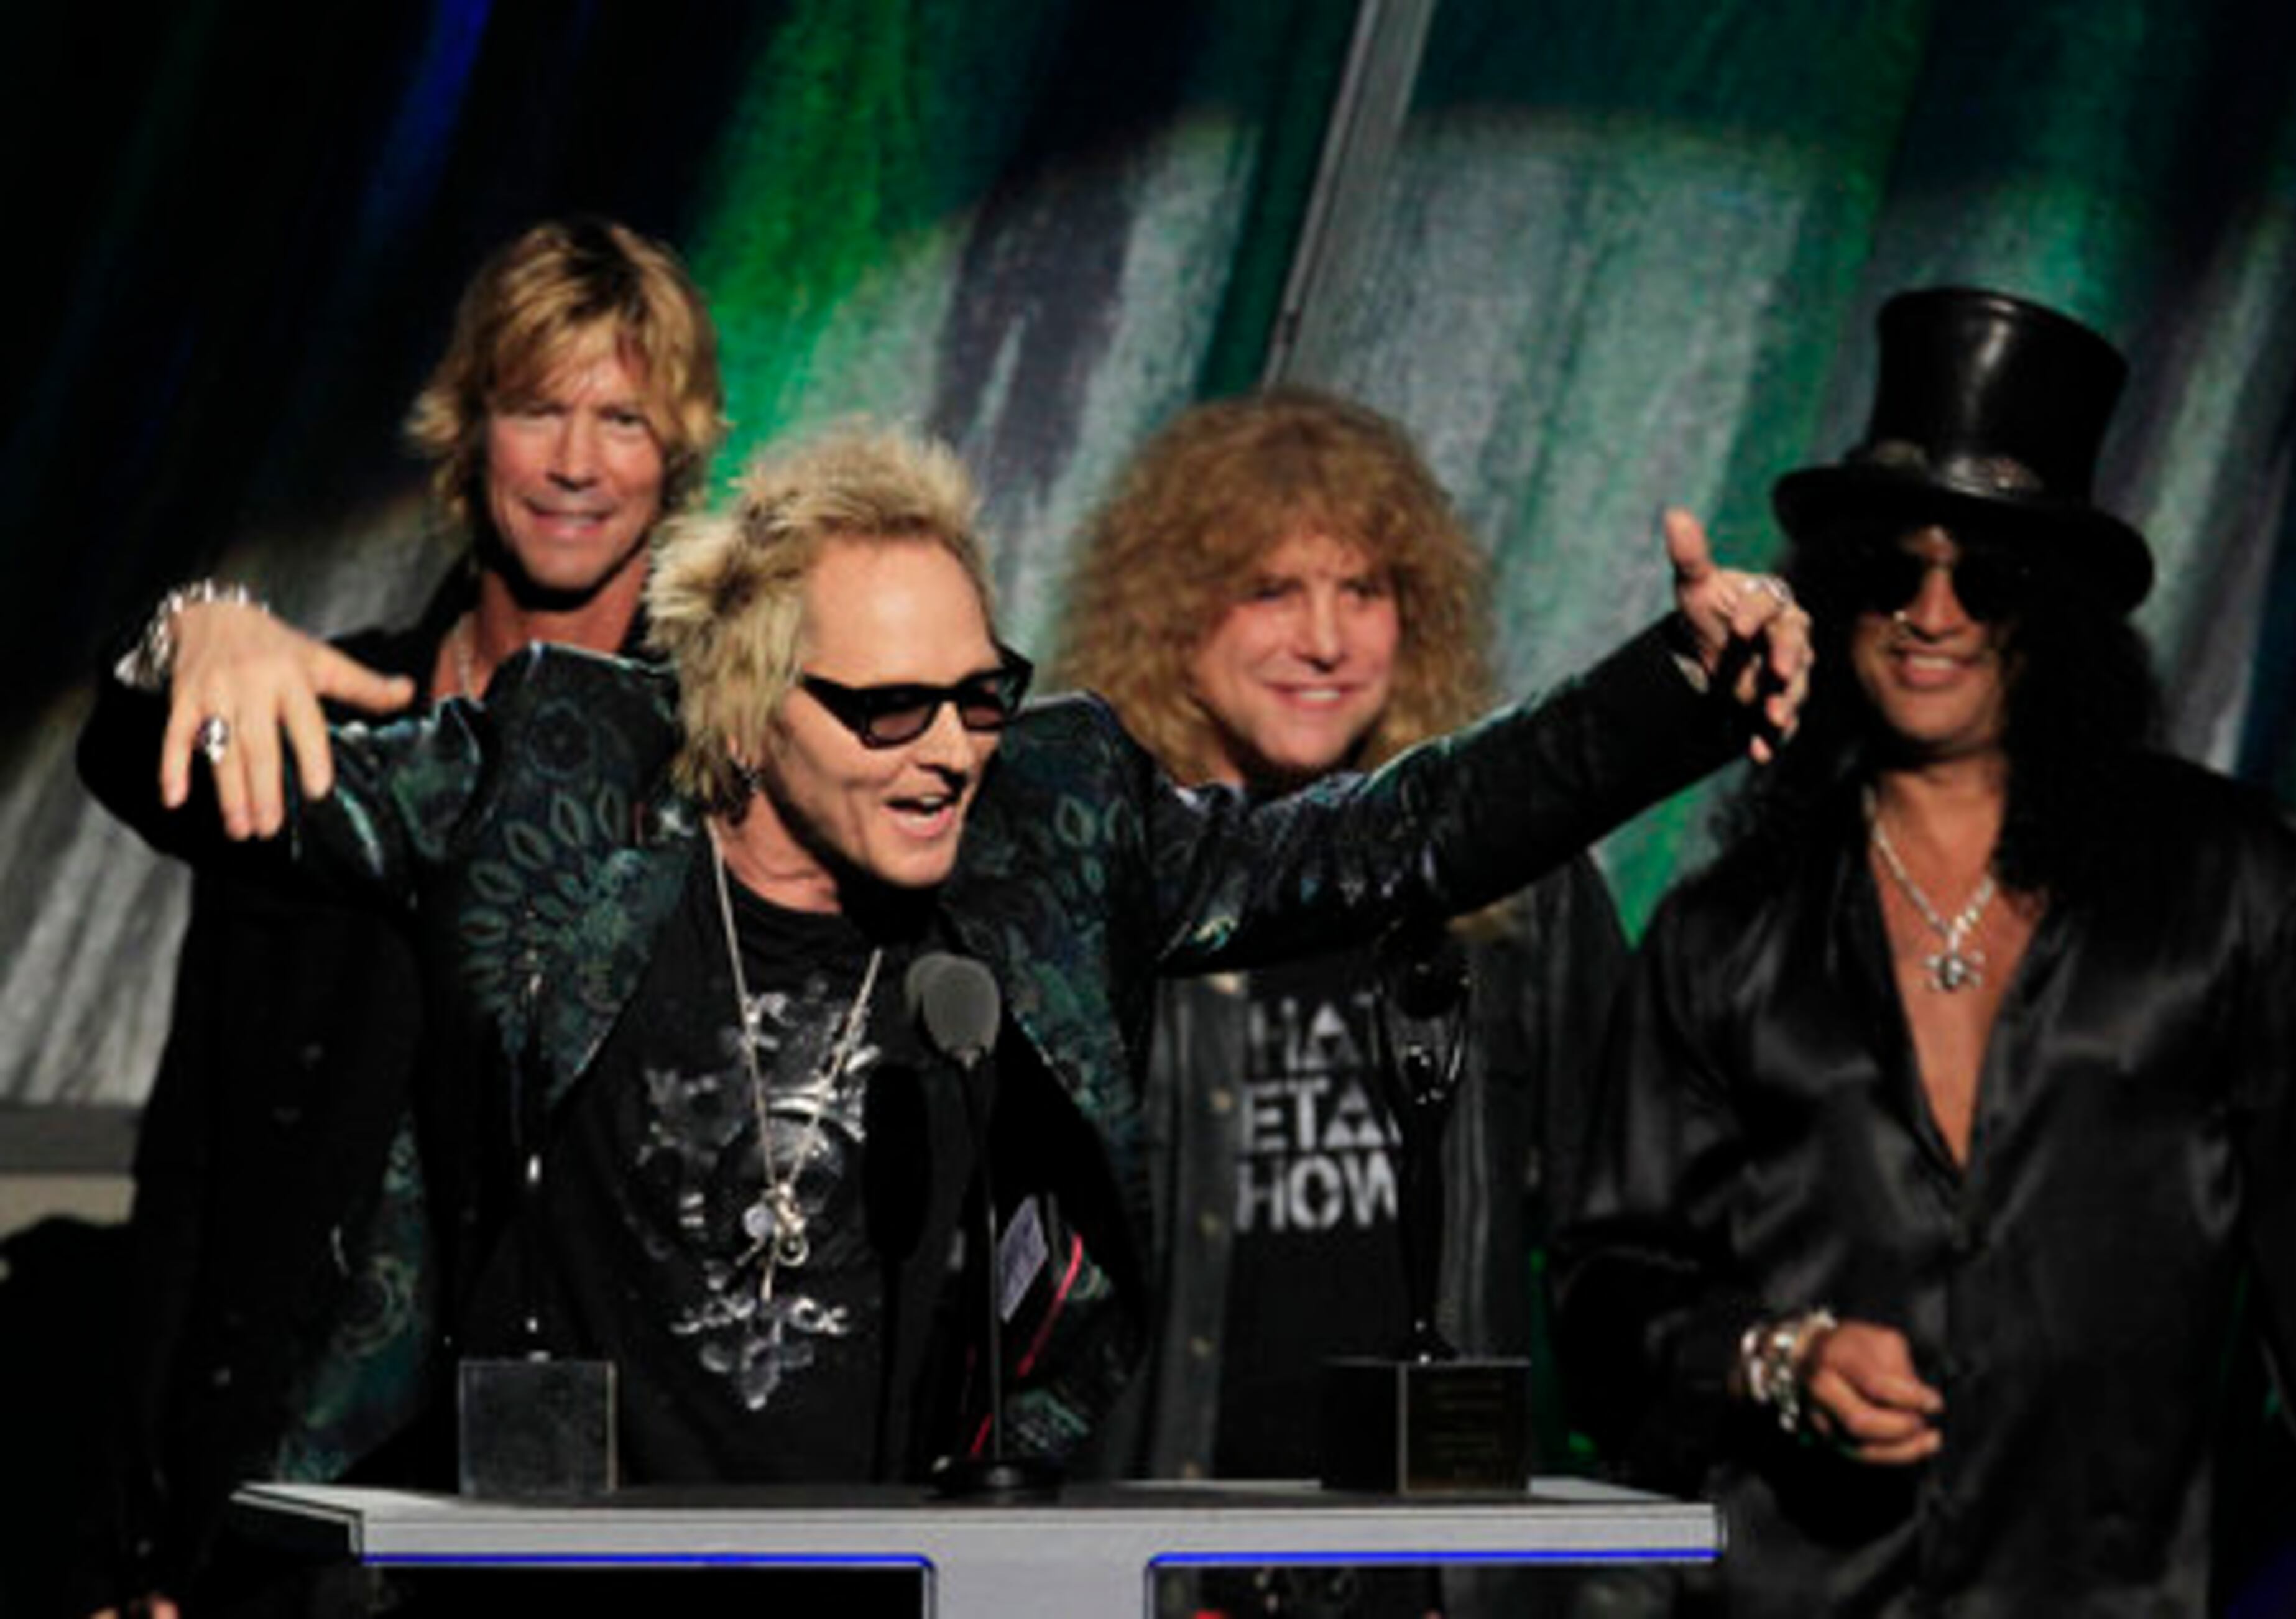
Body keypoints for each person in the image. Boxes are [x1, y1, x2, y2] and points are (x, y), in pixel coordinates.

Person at [79, 420, 1807, 1512]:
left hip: (903, 1569)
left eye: (979, 694)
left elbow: (1391, 836)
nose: (948, 751)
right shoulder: (556, 781)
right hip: (546, 1566)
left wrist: (1674, 690)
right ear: (749, 708)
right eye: (886, 707)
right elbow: (198, 783)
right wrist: (183, 647)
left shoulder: (1052, 831)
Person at [1551, 287, 2296, 1615]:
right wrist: (1778, 1358)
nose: (1931, 613)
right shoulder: (1727, 932)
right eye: (1893, 570)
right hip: (1792, 1594)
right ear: (1838, 596)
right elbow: (1600, 1299)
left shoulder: (2235, 883)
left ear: (2047, 613)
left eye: (1982, 577)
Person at [75, 216, 724, 1619]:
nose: (573, 461)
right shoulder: (323, 730)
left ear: (677, 452)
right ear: (468, 428)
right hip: (271, 1505)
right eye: (536, 406)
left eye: (622, 417)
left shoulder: (704, 769)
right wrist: (189, 628)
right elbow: (124, 757)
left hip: (570, 1515)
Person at [1053, 389, 1630, 1610]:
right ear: (1166, 617)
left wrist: (1628, 1584)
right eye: (1270, 590)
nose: (1325, 641)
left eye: (1363, 591)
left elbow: (1625, 1252)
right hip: (1169, 1565)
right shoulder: (1097, 901)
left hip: (1442, 1581)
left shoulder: (1524, 902)